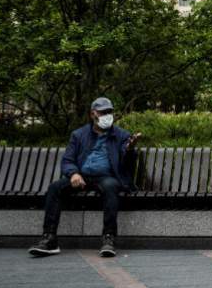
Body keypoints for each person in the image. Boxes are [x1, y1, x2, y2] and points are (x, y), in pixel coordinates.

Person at [29, 97, 142, 258]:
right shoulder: (79, 135)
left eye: (109, 112)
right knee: (55, 188)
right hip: (81, 177)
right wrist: (74, 173)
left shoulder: (122, 135)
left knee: (111, 187)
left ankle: (108, 238)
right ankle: (49, 239)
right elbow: (68, 160)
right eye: (103, 112)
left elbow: (127, 165)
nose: (107, 115)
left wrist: (130, 149)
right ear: (92, 114)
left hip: (106, 177)